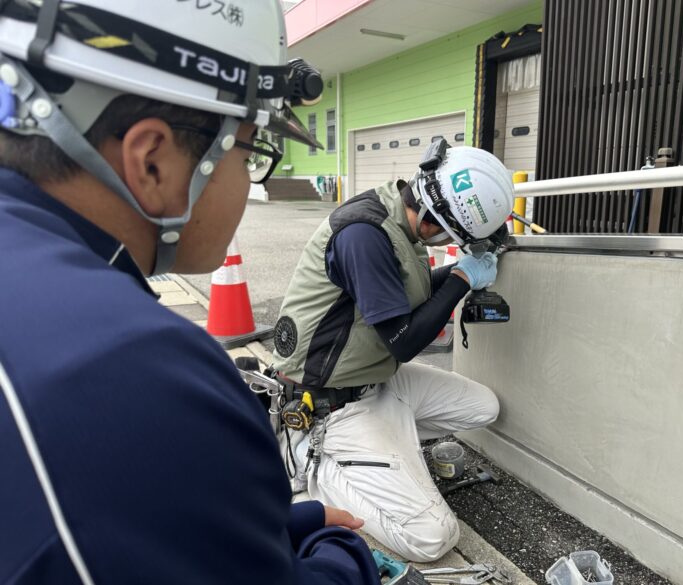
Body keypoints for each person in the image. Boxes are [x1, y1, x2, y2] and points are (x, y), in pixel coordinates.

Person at [0, 2, 379, 584]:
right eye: (249, 150)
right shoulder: (133, 368)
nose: (248, 177)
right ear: (152, 162)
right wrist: (341, 552)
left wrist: (257, 523)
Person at [271, 138, 515, 562]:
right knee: (433, 537)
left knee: (484, 408)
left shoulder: (401, 219)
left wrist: (459, 273)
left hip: (378, 381)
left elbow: (400, 295)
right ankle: (318, 464)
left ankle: (386, 451)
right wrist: (461, 278)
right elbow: (404, 341)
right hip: (331, 405)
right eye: (453, 236)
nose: (446, 242)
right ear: (435, 221)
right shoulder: (364, 235)